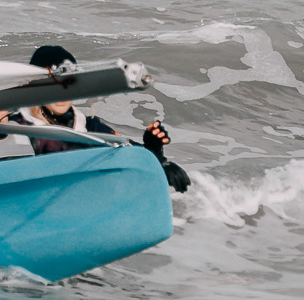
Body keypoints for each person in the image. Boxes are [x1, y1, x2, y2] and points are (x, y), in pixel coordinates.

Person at [15, 45, 190, 191]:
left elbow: (130, 157)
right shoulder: (16, 126)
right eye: (53, 83)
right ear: (36, 84)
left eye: (69, 83)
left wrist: (155, 154)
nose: (62, 92)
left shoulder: (89, 127)